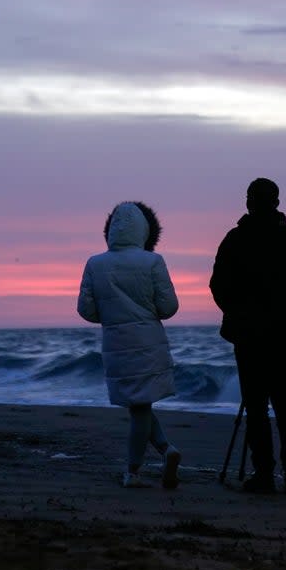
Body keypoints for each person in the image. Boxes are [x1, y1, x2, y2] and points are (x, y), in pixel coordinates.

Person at [210, 178, 286, 495]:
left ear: (249, 202)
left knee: (256, 406)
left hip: (249, 334)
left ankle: (264, 474)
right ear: (276, 202)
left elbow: (218, 287)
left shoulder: (235, 240)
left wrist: (239, 313)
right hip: (284, 332)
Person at [78, 201, 183, 489]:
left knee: (138, 406)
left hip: (116, 343)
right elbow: (169, 307)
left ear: (109, 230)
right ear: (146, 231)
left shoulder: (95, 264)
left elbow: (86, 310)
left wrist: (112, 316)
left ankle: (135, 470)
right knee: (141, 405)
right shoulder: (153, 261)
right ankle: (165, 450)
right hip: (149, 342)